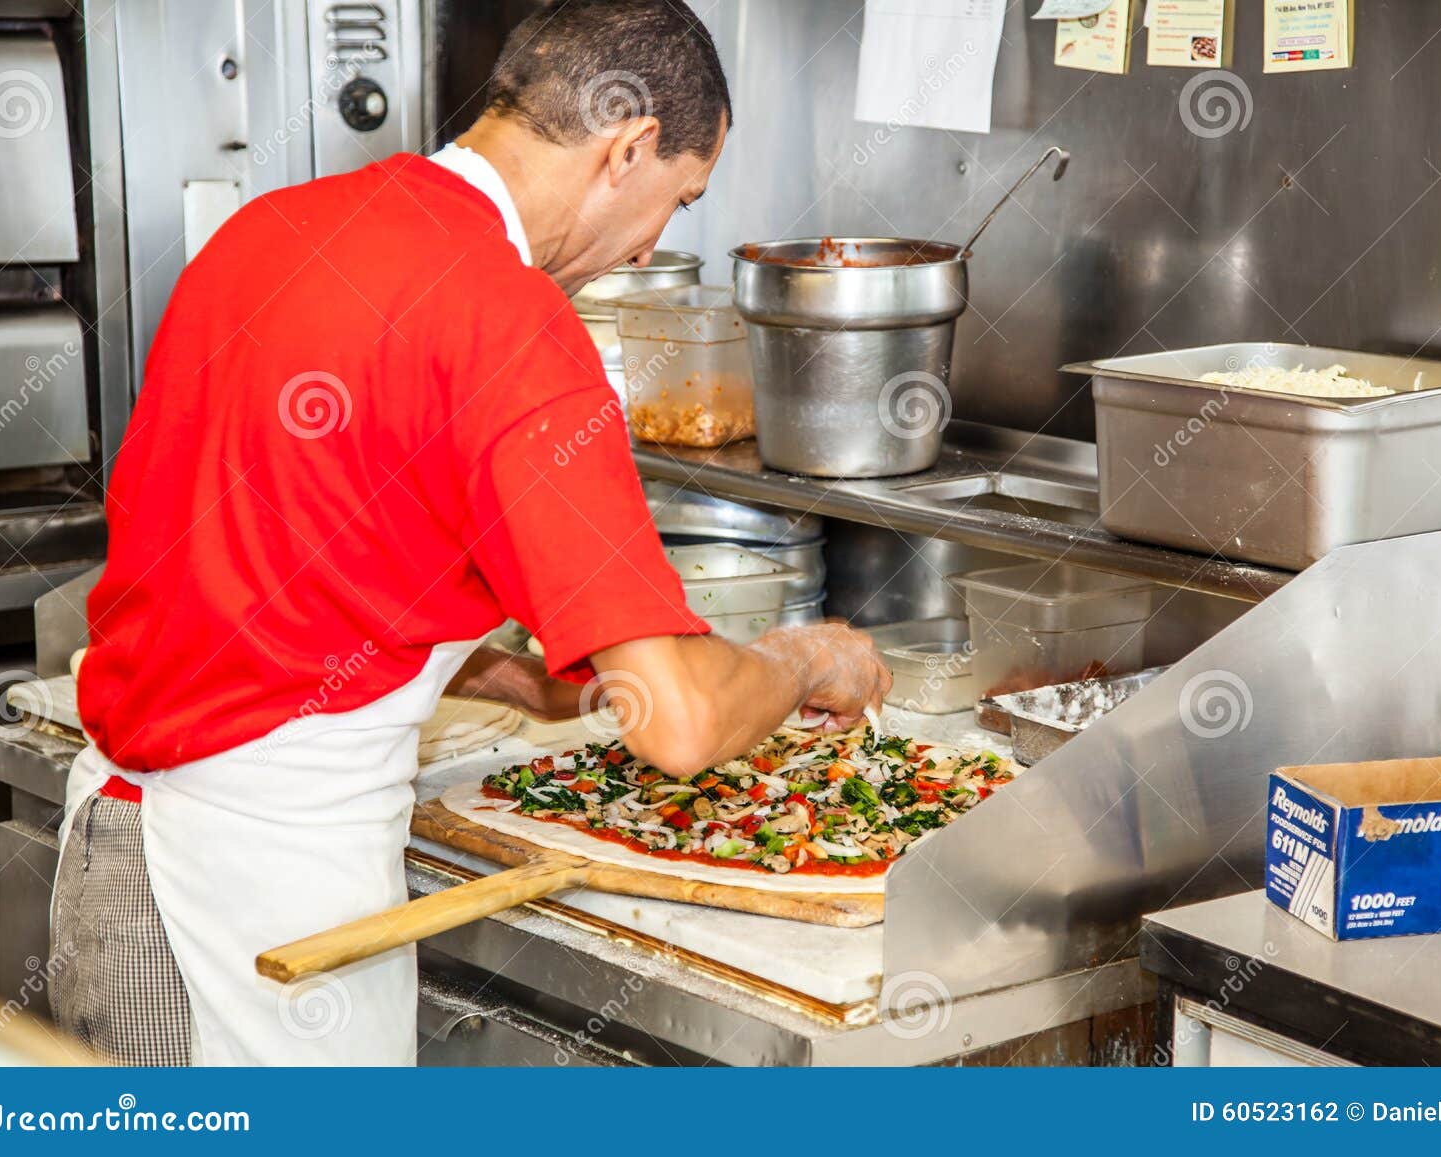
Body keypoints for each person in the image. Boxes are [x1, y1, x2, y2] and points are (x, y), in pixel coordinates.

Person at [51, 0, 889, 1067]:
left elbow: (263, 556)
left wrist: (486, 672)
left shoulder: (275, 227)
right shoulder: (512, 323)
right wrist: (805, 654)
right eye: (676, 200)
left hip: (117, 850)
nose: (650, 245)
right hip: (254, 907)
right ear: (626, 147)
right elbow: (678, 724)